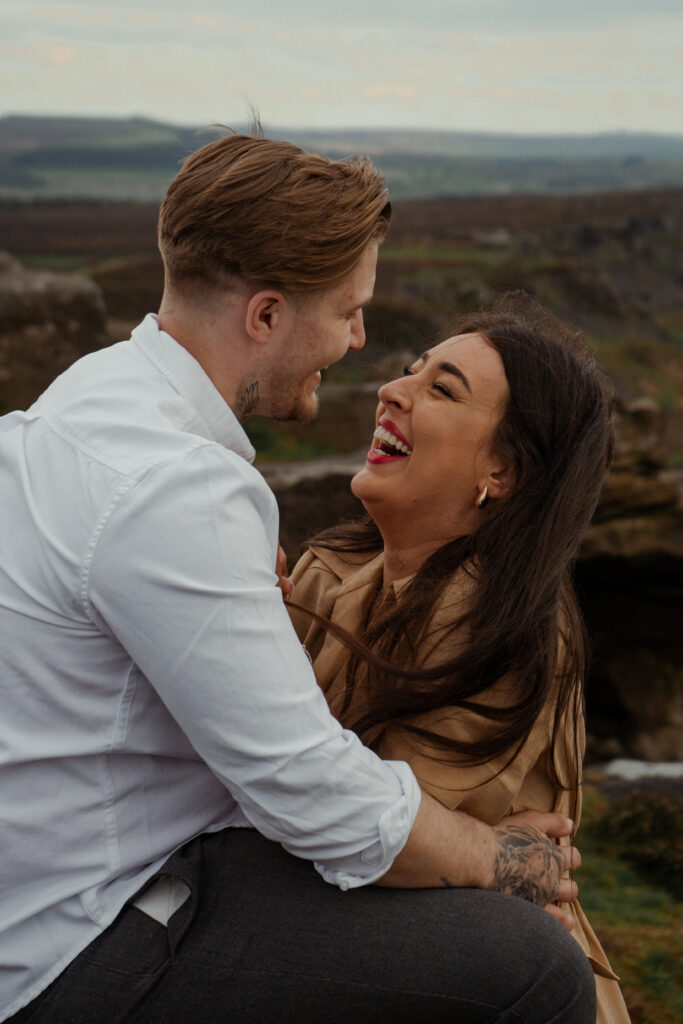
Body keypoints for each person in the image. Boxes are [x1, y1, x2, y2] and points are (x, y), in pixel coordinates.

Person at [1, 130, 596, 1024]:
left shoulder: (85, 400)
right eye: (348, 311)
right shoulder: (182, 488)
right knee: (532, 967)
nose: (358, 342)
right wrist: (502, 860)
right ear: (267, 315)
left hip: (58, 874)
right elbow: (319, 801)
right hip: (75, 945)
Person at [287, 296, 631, 1024]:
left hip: (483, 991)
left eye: (441, 389)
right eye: (411, 371)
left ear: (500, 471)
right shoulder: (330, 568)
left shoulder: (500, 624)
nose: (391, 389)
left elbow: (372, 848)